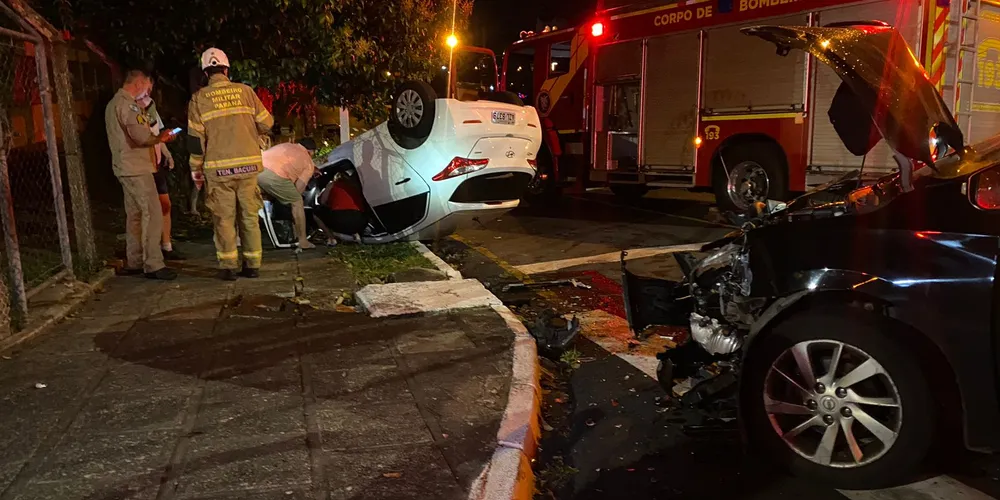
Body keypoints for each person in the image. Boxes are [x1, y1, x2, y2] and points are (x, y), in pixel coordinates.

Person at [187, 48, 274, 281]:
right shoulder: (246, 92)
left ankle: (228, 267)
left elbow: (196, 141)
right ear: (226, 69)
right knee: (249, 217)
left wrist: (196, 169)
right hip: (248, 169)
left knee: (223, 219)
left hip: (218, 170)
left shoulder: (199, 99)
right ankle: (252, 265)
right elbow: (267, 123)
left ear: (206, 73)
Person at [106, 68, 179, 280]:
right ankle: (153, 263)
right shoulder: (128, 105)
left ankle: (135, 260)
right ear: (139, 83)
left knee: (135, 215)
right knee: (153, 212)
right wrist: (160, 138)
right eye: (147, 87)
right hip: (137, 168)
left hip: (125, 167)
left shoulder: (114, 104)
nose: (147, 92)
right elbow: (140, 136)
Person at [140, 92, 185, 261]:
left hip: (156, 163)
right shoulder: (129, 107)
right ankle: (149, 251)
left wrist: (167, 153)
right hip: (143, 164)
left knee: (165, 205)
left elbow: (158, 135)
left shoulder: (149, 105)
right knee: (149, 209)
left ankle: (166, 246)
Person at [259, 138, 318, 249]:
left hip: (255, 169)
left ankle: (237, 238)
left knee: (247, 202)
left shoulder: (285, 145)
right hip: (273, 176)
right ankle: (303, 241)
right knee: (297, 201)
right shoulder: (308, 162)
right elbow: (298, 190)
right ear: (311, 152)